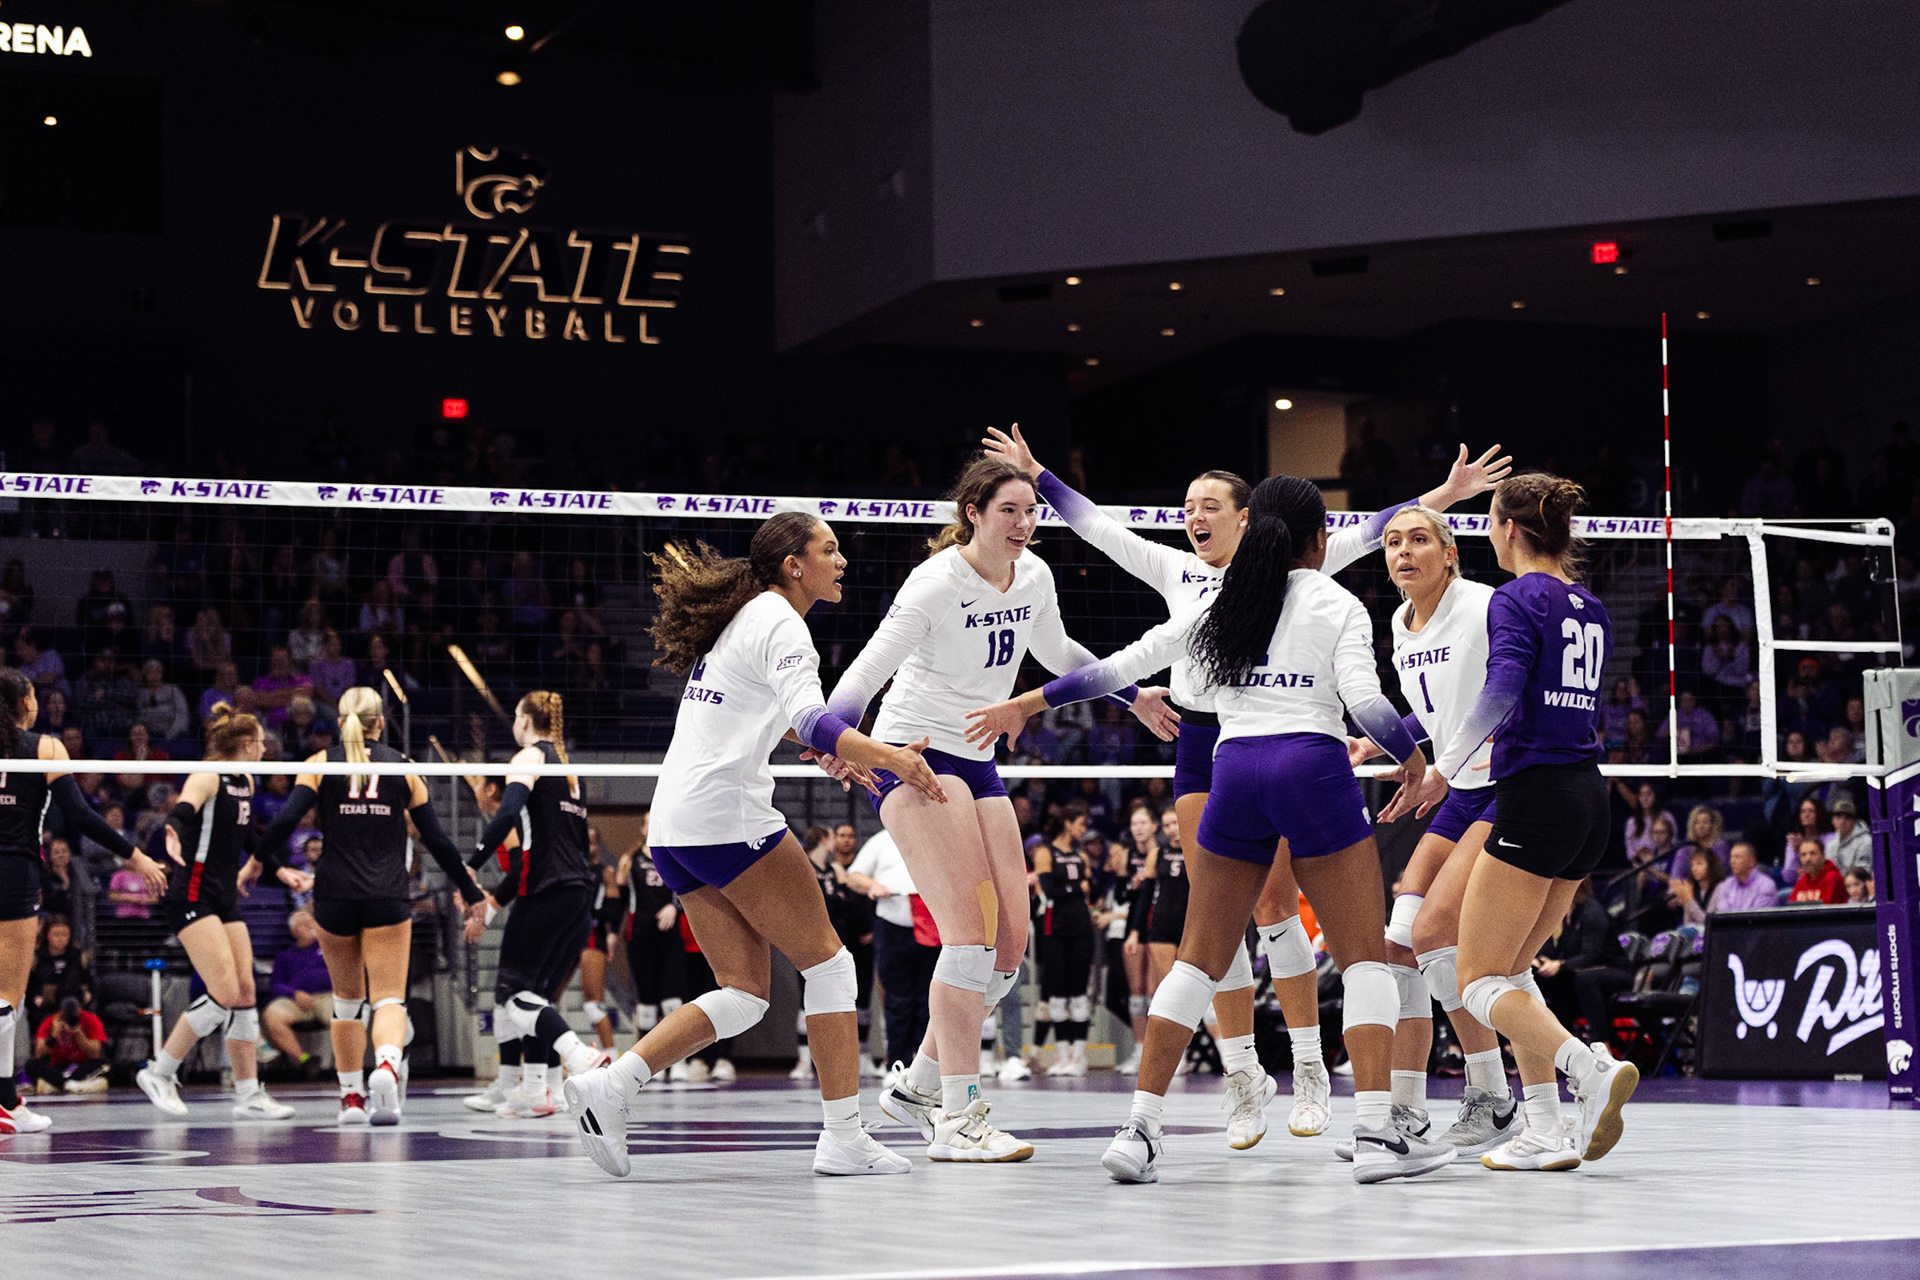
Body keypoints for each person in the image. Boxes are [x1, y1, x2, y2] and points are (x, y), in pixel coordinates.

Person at [986, 424, 1508, 1143]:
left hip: (1237, 756)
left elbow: (1377, 530)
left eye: (1210, 505)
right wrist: (1412, 757)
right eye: (1187, 506)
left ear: (1247, 519)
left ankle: (1205, 1104)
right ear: (1308, 537)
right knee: (1322, 947)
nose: (1194, 517)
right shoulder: (1236, 585)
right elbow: (1100, 531)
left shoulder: (1254, 589)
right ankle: (1287, 1092)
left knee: (1251, 920)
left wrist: (1442, 496)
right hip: (1247, 749)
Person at [566, 512, 944, 1178]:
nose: (842, 561)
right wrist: (889, 756)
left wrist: (830, 749)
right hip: (726, 816)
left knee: (744, 992)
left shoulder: (744, 618)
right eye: (830, 550)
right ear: (794, 565)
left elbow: (771, 716)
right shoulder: (782, 622)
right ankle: (844, 1137)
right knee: (832, 967)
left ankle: (613, 1083)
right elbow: (813, 718)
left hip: (674, 824)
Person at [825, 455, 1177, 1164]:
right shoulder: (935, 582)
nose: (1023, 524)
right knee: (968, 941)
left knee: (1009, 950)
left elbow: (1059, 653)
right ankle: (958, 1119)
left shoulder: (1035, 575)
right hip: (915, 754)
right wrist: (839, 739)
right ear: (974, 514)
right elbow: (865, 671)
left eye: (1030, 511)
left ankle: (918, 1086)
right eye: (1008, 510)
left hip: (978, 759)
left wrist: (1133, 695)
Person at [1386, 472, 1638, 1173]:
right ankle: (1545, 1130)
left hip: (1533, 795)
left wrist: (1444, 767)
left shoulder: (1513, 597)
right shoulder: (1589, 604)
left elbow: (1500, 691)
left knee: (1476, 978)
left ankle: (1588, 1069)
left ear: (1506, 529)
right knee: (1515, 969)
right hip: (1588, 796)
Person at [1347, 505, 1517, 1159]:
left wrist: (1441, 767)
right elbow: (1437, 712)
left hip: (1502, 783)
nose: (1403, 552)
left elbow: (1508, 688)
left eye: (1419, 540)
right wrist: (1380, 745)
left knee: (1434, 934)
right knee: (1398, 943)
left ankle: (1492, 1096)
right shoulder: (1400, 623)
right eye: (1393, 542)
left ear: (1450, 553)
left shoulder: (1482, 605)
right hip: (1459, 786)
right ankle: (1406, 1112)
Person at [251, 685, 487, 1124]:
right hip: (387, 895)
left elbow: (283, 822)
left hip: (333, 896)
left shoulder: (319, 764)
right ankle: (386, 1065)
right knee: (389, 1000)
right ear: (380, 722)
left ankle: (352, 1099)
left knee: (345, 1003)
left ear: (341, 723)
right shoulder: (405, 768)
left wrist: (258, 863)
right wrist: (472, 894)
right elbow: (437, 841)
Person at [0, 669, 169, 1135]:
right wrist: (135, 856)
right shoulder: (45, 747)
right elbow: (79, 814)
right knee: (7, 996)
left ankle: (7, 1100)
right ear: (26, 703)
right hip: (13, 872)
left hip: (16, 872)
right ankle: (5, 1103)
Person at [135, 703, 309, 1121]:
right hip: (191, 894)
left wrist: (279, 870)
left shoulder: (245, 780)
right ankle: (159, 1072)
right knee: (224, 991)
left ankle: (248, 1093)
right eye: (261, 742)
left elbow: (248, 837)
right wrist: (173, 830)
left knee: (245, 992)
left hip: (223, 895)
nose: (266, 749)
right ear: (246, 744)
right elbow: (183, 810)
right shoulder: (207, 774)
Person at [457, 692, 607, 1119]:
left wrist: (471, 865)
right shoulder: (569, 769)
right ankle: (537, 1092)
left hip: (546, 890)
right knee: (534, 997)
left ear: (524, 720)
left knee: (510, 994)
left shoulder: (529, 757)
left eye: (515, 717)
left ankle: (577, 1055)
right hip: (578, 895)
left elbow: (507, 814)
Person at [844, 828, 935, 1076]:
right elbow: (853, 877)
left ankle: (924, 1067)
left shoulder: (936, 833)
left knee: (928, 1000)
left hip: (931, 926)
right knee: (897, 999)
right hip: (892, 926)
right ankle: (897, 1063)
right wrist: (873, 885)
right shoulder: (881, 841)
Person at [1034, 803, 1096, 1077]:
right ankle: (1062, 1056)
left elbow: (1089, 889)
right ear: (1067, 823)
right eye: (1081, 824)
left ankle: (1079, 1057)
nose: (1083, 829)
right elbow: (1050, 891)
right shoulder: (1046, 852)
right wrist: (1076, 887)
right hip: (1055, 928)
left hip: (1081, 927)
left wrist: (1077, 889)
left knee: (1079, 993)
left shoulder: (1081, 855)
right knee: (1057, 994)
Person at [1107, 803, 1163, 1073]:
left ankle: (1160, 1052)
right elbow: (1120, 896)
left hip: (1158, 926)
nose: (1138, 828)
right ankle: (1140, 1051)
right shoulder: (1127, 856)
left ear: (1153, 827)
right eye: (1134, 824)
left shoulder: (1162, 853)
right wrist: (1132, 884)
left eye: (1143, 823)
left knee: (1156, 992)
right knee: (1136, 992)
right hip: (1134, 926)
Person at [260, 909, 332, 1081]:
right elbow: (276, 985)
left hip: (328, 997)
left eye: (311, 922)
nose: (309, 926)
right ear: (293, 931)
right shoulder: (285, 956)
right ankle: (304, 1060)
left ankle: (348, 1067)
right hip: (297, 1000)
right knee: (271, 1014)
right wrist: (294, 994)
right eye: (302, 923)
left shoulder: (329, 948)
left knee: (345, 1015)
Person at [27, 996, 109, 1095]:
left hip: (81, 1066)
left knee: (105, 1066)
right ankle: (69, 1084)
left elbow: (95, 1054)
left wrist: (79, 1033)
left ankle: (58, 1084)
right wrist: (53, 1037)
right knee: (31, 1065)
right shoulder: (51, 1021)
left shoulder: (91, 1019)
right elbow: (39, 1054)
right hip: (58, 1066)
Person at [1707, 842, 1778, 913]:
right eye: (1731, 857)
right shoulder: (1727, 884)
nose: (1732, 861)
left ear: (1751, 861)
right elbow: (1723, 914)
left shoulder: (1766, 885)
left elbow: (1758, 917)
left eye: (1737, 857)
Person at [1789, 838, 1847, 904]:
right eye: (1803, 855)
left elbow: (1827, 908)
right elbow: (1791, 907)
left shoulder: (1832, 878)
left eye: (1812, 853)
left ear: (1823, 856)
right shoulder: (1801, 882)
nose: (1807, 859)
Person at [1825, 798, 1872, 874]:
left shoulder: (1865, 841)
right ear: (1832, 820)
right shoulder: (1831, 843)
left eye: (1847, 818)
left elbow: (1863, 874)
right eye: (1838, 817)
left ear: (1855, 821)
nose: (1842, 822)